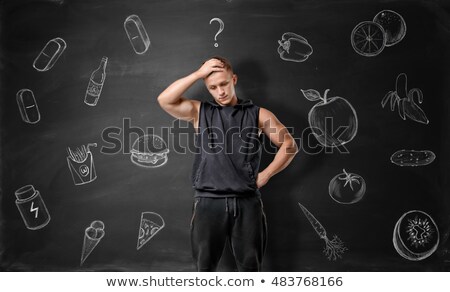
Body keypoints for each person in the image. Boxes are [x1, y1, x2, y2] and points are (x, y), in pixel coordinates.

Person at [157, 56, 298, 271]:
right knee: (204, 270)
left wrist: (267, 173)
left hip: (247, 203)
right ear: (207, 87)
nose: (220, 91)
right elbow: (165, 100)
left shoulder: (258, 114)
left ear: (234, 79)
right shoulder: (199, 112)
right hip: (208, 202)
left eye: (223, 84)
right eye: (213, 87)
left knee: (250, 270)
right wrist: (197, 74)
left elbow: (289, 144)